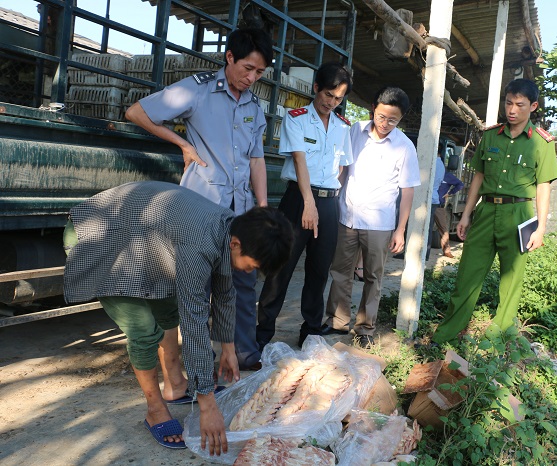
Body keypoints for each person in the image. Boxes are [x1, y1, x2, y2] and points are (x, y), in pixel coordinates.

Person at [63, 181, 292, 454]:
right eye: (251, 266)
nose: (247, 272)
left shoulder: (230, 226)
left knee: (167, 310)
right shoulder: (199, 244)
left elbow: (225, 292)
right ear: (236, 244)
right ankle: (155, 410)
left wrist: (228, 347)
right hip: (100, 237)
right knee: (145, 331)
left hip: (139, 238)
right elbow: (193, 322)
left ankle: (176, 385)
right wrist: (207, 405)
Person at [125, 28, 273, 371]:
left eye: (260, 73)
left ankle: (244, 354)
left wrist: (262, 207)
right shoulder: (198, 89)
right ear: (230, 58)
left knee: (242, 283)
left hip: (242, 212)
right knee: (198, 289)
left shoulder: (254, 106)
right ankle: (200, 363)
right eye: (247, 68)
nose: (251, 78)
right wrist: (183, 145)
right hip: (202, 209)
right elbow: (137, 113)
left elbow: (257, 159)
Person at [432, 79, 557, 344]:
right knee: (467, 274)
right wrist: (466, 214)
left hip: (519, 215)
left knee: (511, 279)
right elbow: (478, 177)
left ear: (533, 106)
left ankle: (495, 337)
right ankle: (447, 333)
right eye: (509, 103)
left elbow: (543, 186)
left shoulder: (542, 143)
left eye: (520, 105)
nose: (512, 110)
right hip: (486, 211)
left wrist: (541, 228)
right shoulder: (491, 136)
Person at [256, 63, 354, 349]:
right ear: (315, 88)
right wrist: (309, 203)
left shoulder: (342, 126)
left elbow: (343, 166)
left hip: (327, 203)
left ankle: (310, 332)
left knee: (319, 269)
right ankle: (262, 334)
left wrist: (328, 197)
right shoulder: (296, 118)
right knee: (281, 267)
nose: (332, 103)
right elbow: (299, 161)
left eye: (338, 99)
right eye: (327, 95)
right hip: (298, 200)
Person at [321, 86, 420, 348]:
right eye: (381, 116)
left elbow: (407, 190)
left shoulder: (405, 147)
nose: (385, 123)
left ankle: (365, 328)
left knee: (373, 277)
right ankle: (337, 321)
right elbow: (343, 168)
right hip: (347, 214)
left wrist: (400, 230)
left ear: (401, 119)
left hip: (379, 223)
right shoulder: (355, 130)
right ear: (373, 109)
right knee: (340, 271)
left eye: (393, 120)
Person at [434, 156, 465, 258]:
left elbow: (460, 184)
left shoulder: (447, 176)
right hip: (425, 204)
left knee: (443, 228)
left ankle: (446, 251)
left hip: (438, 206)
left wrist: (450, 193)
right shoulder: (430, 172)